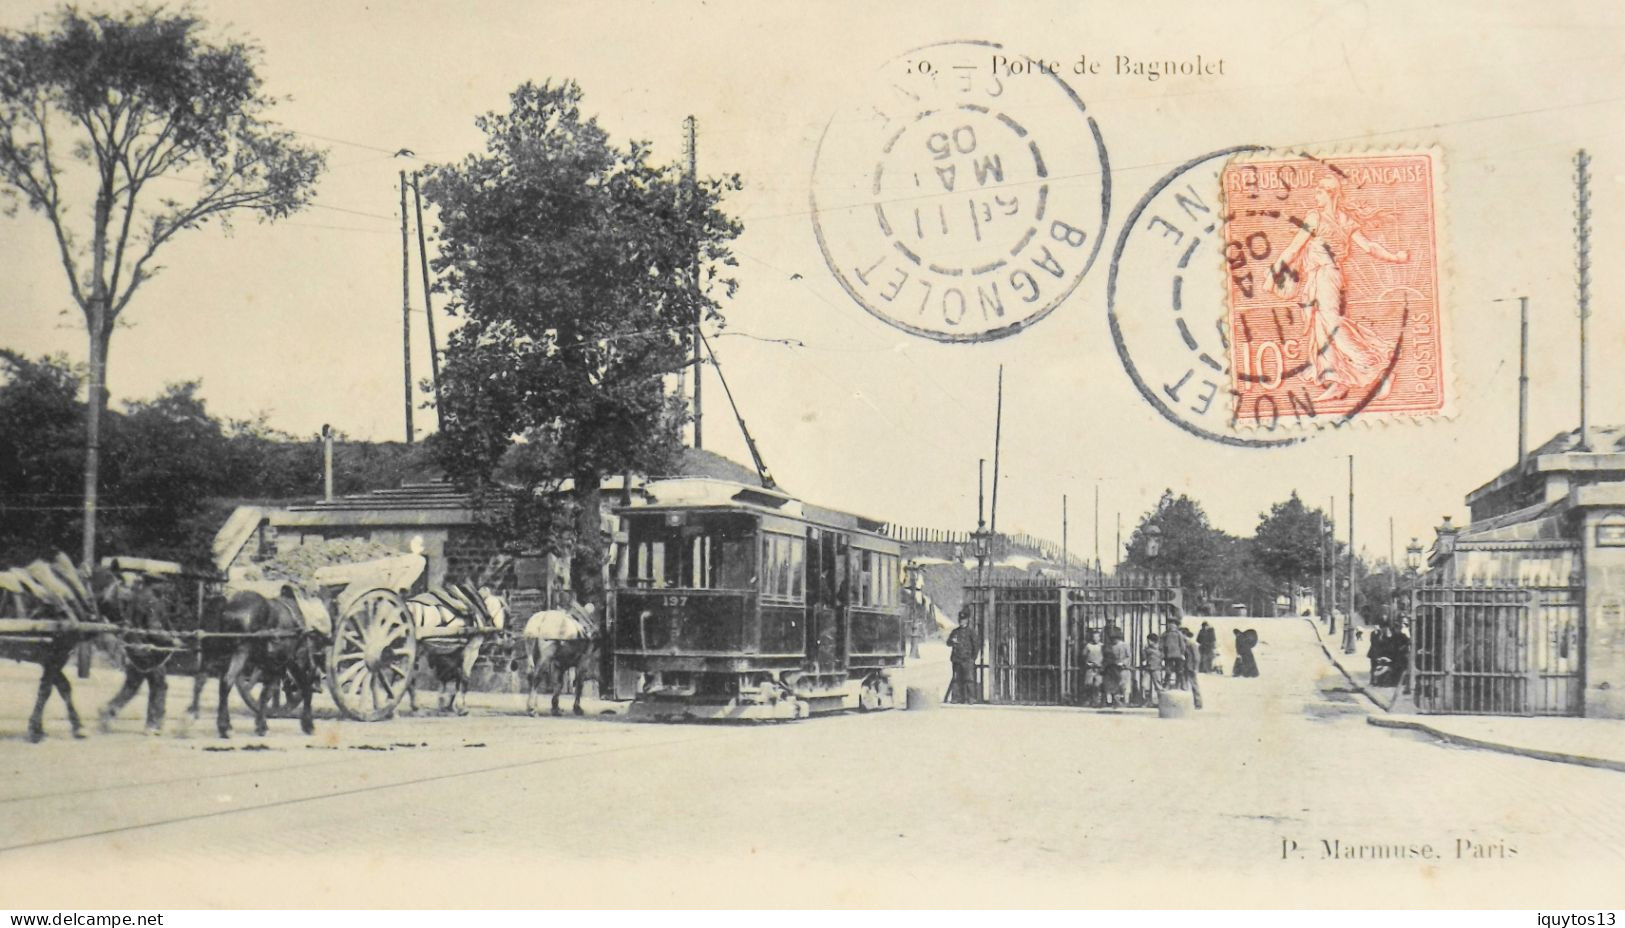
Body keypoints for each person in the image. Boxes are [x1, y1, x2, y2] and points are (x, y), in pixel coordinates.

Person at [1269, 174, 1412, 403]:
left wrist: (1274, 271)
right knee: (1321, 327)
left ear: (1330, 194)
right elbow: (1369, 247)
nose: (1316, 195)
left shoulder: (1318, 218)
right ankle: (1337, 380)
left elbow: (1295, 248)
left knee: (1331, 323)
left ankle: (1379, 370)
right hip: (1318, 277)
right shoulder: (1342, 220)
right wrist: (1394, 256)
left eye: (1319, 192)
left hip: (1326, 276)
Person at [945, 608, 978, 704]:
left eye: (963, 620)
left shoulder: (971, 632)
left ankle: (971, 698)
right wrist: (952, 641)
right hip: (956, 659)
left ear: (967, 620)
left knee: (969, 679)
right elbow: (948, 643)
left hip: (967, 659)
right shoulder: (955, 631)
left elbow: (976, 645)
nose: (961, 621)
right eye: (960, 620)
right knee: (956, 679)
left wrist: (973, 658)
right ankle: (956, 698)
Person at [1103, 632, 1130, 708]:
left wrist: (1123, 663)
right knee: (1114, 685)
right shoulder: (1111, 647)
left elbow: (1129, 656)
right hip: (1114, 668)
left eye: (1114, 638)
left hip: (1123, 668)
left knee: (1124, 685)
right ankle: (1114, 702)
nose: (1113, 640)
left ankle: (1126, 701)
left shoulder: (1125, 645)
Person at [1081, 629, 1105, 708]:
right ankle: (1089, 701)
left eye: (1097, 637)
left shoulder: (1102, 646)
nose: (1095, 638)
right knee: (1088, 684)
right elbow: (1083, 657)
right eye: (1094, 637)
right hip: (1090, 667)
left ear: (1099, 638)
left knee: (1097, 685)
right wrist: (1089, 664)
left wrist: (1101, 665)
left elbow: (1105, 657)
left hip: (1099, 668)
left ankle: (1097, 702)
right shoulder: (1088, 646)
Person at [1140, 632, 1163, 705]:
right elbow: (1143, 658)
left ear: (1154, 641)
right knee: (1144, 684)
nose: (1148, 642)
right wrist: (1143, 650)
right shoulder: (1147, 648)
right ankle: (1147, 700)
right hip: (1148, 668)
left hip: (1156, 668)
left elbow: (1162, 657)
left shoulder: (1160, 648)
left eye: (1149, 640)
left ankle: (1161, 701)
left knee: (1158, 686)